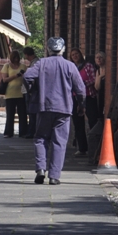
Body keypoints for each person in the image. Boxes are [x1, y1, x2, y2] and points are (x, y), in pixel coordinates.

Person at [23, 37, 85, 185]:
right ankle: (54, 176)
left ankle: (40, 169)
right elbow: (81, 89)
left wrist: (33, 90)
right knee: (59, 141)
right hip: (64, 108)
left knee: (40, 138)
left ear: (48, 49)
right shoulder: (70, 66)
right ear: (63, 49)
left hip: (44, 106)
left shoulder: (41, 63)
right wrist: (81, 104)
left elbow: (27, 76)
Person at [68, 49, 95, 157]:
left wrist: (81, 84)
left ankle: (94, 148)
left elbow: (93, 79)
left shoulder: (87, 66)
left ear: (81, 55)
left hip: (88, 96)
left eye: (76, 54)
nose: (75, 56)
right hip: (75, 97)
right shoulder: (71, 67)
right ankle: (82, 148)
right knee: (78, 123)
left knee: (92, 121)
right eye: (72, 55)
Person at [0, 50, 27, 138]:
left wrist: (23, 77)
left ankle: (23, 132)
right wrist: (16, 75)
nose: (16, 60)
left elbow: (27, 77)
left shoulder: (23, 66)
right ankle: (8, 132)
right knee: (10, 113)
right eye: (14, 58)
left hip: (21, 92)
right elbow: (4, 79)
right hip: (10, 92)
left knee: (22, 113)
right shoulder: (6, 66)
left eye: (17, 58)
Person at [21, 46, 39, 138]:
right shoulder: (34, 63)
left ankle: (32, 132)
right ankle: (31, 131)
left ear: (27, 55)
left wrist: (30, 89)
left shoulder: (36, 63)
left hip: (32, 91)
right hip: (31, 90)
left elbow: (31, 78)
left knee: (32, 111)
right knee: (30, 111)